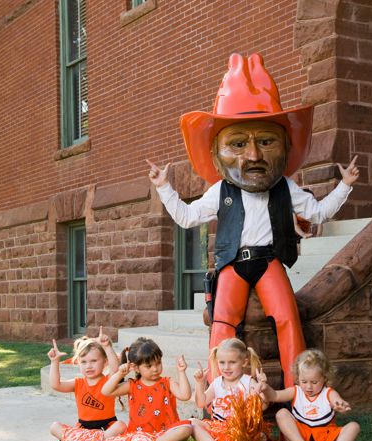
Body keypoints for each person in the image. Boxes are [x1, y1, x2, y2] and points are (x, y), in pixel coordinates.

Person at [147, 52, 360, 388]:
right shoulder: (221, 191)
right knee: (222, 322)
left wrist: (345, 186)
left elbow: (318, 213)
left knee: (288, 317)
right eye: (238, 144)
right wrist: (164, 188)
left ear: (285, 147)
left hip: (268, 260)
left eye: (265, 141)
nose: (254, 156)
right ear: (217, 154)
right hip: (233, 264)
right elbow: (187, 218)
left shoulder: (286, 188)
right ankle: (222, 395)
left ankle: (298, 391)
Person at [101, 337, 193, 441]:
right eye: (149, 366)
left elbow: (185, 395)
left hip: (166, 438)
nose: (155, 369)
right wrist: (120, 374)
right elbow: (106, 391)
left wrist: (181, 372)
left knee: (186, 428)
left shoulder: (167, 382)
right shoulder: (132, 385)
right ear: (136, 368)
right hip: (140, 438)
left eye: (158, 363)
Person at [262, 348, 360, 441]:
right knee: (281, 413)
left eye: (314, 382)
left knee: (354, 426)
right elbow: (275, 396)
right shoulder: (295, 391)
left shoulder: (328, 392)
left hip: (327, 438)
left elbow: (337, 401)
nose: (309, 387)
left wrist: (340, 406)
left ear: (324, 378)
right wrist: (265, 387)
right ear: (298, 378)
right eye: (304, 382)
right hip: (300, 438)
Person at [190, 337, 269, 441]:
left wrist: (260, 390)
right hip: (218, 428)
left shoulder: (248, 382)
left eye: (232, 362)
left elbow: (264, 406)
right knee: (192, 423)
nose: (226, 367)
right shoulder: (216, 383)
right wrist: (199, 383)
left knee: (261, 437)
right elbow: (201, 403)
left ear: (244, 362)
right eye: (222, 362)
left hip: (240, 431)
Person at [47, 333, 127, 441]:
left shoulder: (108, 381)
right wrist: (54, 361)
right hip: (83, 429)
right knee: (54, 426)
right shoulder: (78, 383)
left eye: (93, 361)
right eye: (84, 362)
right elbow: (56, 385)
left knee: (121, 425)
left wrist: (107, 346)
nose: (88, 366)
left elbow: (115, 369)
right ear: (78, 363)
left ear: (105, 361)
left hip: (106, 427)